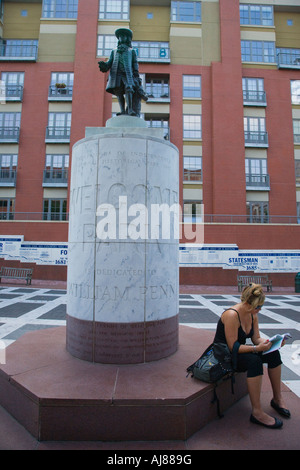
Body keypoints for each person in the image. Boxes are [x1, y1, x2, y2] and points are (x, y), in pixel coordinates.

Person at [214, 283, 291, 428]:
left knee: (273, 354)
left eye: (261, 306)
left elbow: (256, 338)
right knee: (254, 361)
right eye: (257, 307)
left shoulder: (252, 314)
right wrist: (256, 348)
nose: (259, 310)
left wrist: (272, 343)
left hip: (240, 351)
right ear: (247, 303)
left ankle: (277, 398)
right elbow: (233, 347)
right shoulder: (232, 314)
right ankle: (257, 412)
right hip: (225, 356)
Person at [98, 28, 148, 117]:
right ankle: (122, 111)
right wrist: (104, 66)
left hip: (128, 74)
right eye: (120, 36)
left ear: (127, 38)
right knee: (118, 91)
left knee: (129, 88)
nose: (121, 38)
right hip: (116, 74)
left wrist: (136, 74)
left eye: (123, 36)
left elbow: (134, 63)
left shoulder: (131, 51)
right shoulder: (114, 51)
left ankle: (130, 110)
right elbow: (109, 63)